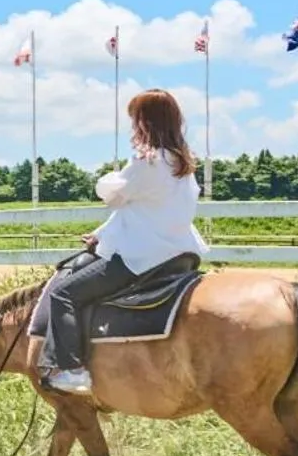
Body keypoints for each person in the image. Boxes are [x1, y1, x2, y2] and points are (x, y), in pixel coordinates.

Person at [39, 88, 210, 396]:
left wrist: (109, 175)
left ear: (146, 122)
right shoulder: (184, 164)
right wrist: (101, 235)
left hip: (143, 256)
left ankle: (72, 370)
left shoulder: (148, 162)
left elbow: (111, 194)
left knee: (64, 294)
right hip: (180, 252)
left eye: (136, 118)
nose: (134, 125)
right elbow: (139, 209)